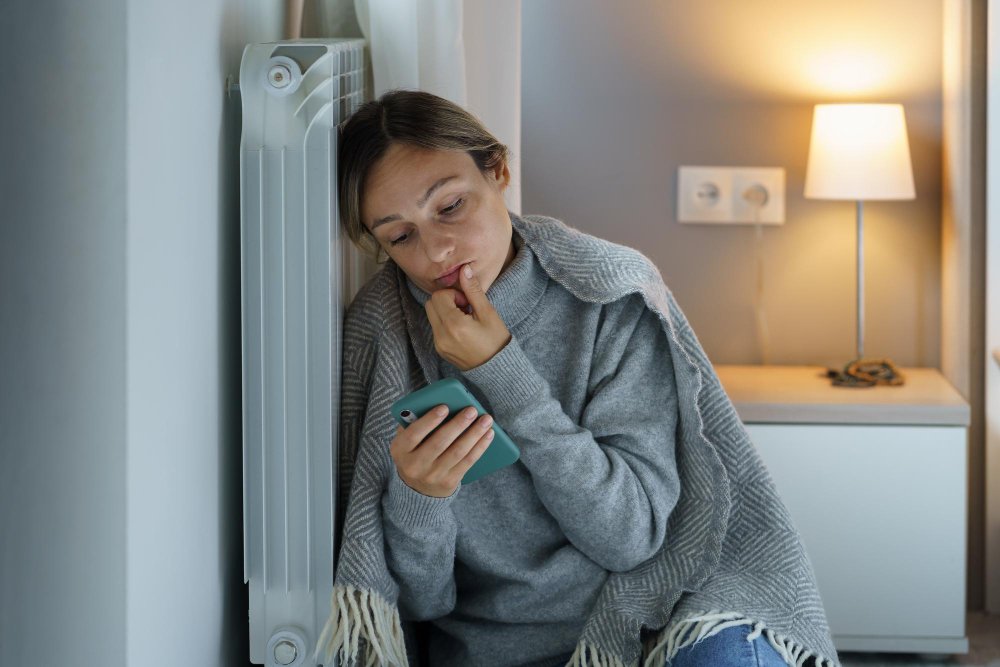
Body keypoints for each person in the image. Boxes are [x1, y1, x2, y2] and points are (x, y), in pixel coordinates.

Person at [316, 89, 840, 667]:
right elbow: (419, 603)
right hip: (493, 643)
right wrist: (421, 496)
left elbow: (629, 540)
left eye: (450, 206)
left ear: (498, 171)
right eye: (400, 236)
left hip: (659, 610)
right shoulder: (381, 332)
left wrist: (500, 370)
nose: (437, 250)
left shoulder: (607, 294)